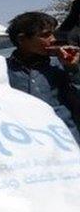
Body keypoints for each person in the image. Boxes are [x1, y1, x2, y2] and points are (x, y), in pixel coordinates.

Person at [6, 12, 80, 143]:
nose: (53, 39)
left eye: (52, 33)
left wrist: (72, 69)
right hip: (29, 142)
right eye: (45, 35)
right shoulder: (3, 70)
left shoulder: (60, 65)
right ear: (22, 39)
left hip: (67, 141)